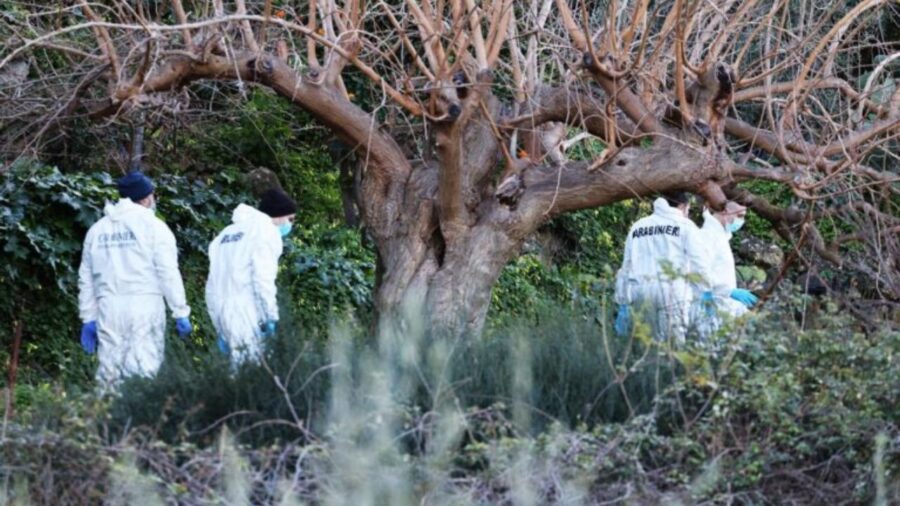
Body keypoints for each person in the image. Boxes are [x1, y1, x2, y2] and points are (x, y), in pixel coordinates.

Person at [77, 171, 192, 389]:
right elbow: (168, 272)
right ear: (147, 197)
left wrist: (88, 317)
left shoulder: (97, 230)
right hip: (144, 305)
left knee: (109, 371)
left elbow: (86, 278)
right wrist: (180, 311)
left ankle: (108, 420)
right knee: (144, 365)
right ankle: (140, 422)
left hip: (108, 307)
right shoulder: (155, 227)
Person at [206, 188, 297, 365]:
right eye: (290, 219)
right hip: (248, 311)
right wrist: (270, 316)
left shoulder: (225, 234)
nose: (290, 225)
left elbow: (212, 285)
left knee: (235, 374)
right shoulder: (267, 231)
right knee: (253, 376)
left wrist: (219, 326)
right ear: (278, 215)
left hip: (223, 311)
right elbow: (263, 279)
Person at [613, 192, 714, 344]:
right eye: (688, 209)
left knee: (644, 347)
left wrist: (623, 301)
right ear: (682, 206)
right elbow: (699, 263)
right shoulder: (685, 225)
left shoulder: (638, 226)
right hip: (672, 293)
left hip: (640, 292)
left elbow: (627, 265)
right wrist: (706, 289)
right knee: (671, 348)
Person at [695, 201, 757, 335]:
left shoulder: (721, 236)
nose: (742, 221)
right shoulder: (708, 236)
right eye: (739, 215)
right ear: (725, 212)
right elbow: (701, 272)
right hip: (714, 311)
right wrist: (729, 291)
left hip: (724, 309)